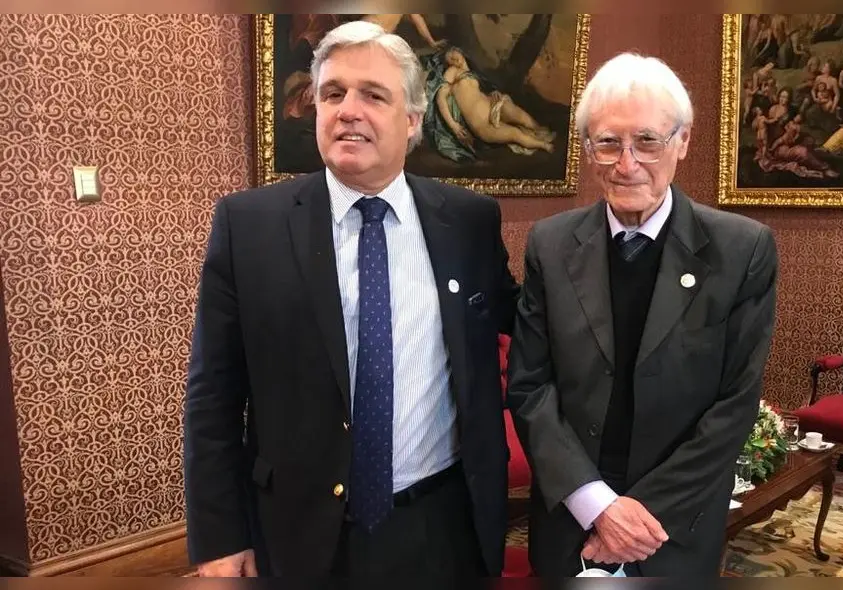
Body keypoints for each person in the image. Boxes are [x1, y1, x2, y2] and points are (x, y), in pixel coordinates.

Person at [183, 20, 519, 577]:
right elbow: (212, 395)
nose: (348, 109)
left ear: (413, 121)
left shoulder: (468, 220)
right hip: (300, 529)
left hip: (442, 523)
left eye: (373, 95)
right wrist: (219, 537)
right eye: (333, 93)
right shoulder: (249, 226)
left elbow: (525, 327)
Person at [506, 52, 779, 577]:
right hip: (571, 515)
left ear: (683, 141)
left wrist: (638, 518)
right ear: (588, 150)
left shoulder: (742, 249)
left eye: (648, 141)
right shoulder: (550, 243)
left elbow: (734, 403)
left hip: (673, 525)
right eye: (608, 142)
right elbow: (529, 386)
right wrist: (598, 505)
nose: (627, 163)